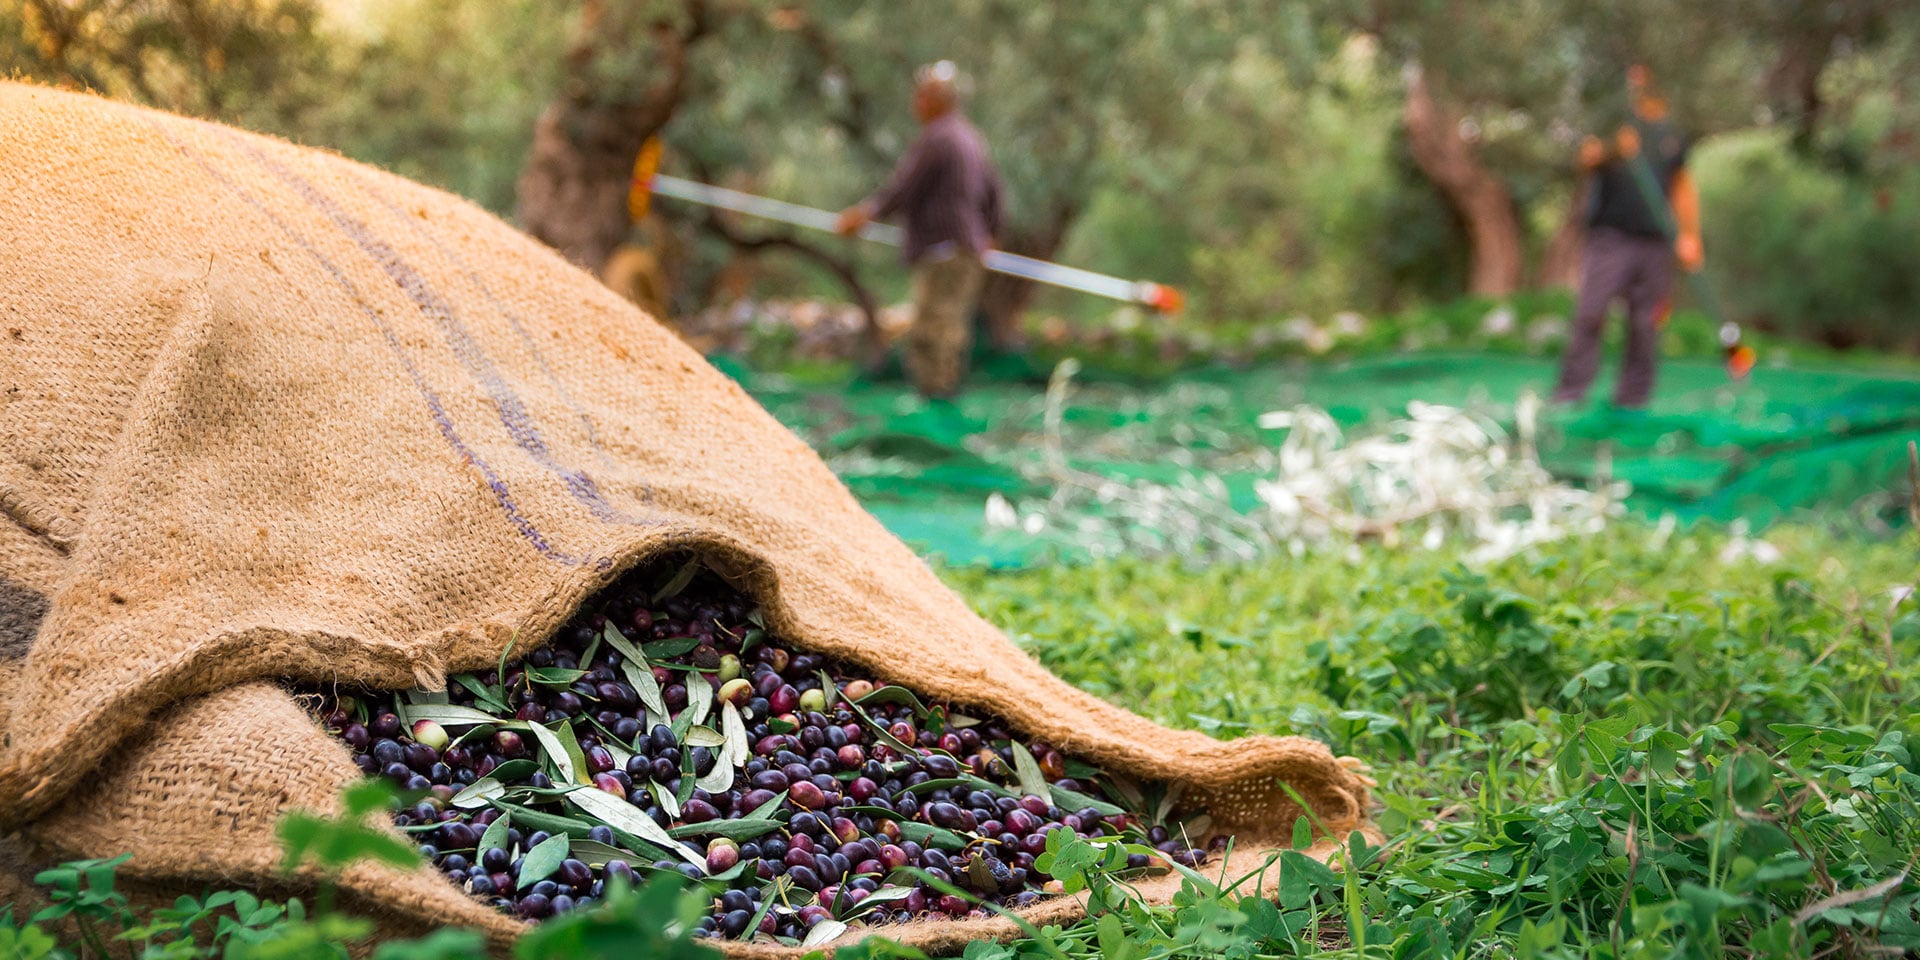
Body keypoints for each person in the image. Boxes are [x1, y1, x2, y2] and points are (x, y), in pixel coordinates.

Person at [836, 61, 1003, 399]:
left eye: (922, 95)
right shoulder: (969, 139)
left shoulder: (939, 138)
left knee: (933, 329)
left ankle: (936, 398)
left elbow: (904, 189)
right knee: (949, 326)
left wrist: (865, 214)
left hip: (944, 251)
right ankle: (942, 394)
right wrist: (990, 236)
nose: (916, 102)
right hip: (964, 250)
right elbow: (995, 193)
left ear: (937, 99)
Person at [1551, 64, 1704, 410]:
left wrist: (1690, 236)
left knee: (1647, 323)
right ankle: (1569, 393)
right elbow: (1587, 158)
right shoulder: (1613, 124)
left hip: (1656, 241)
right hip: (1611, 237)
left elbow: (1682, 187)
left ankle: (1633, 400)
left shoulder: (1671, 134)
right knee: (1590, 313)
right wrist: (1614, 150)